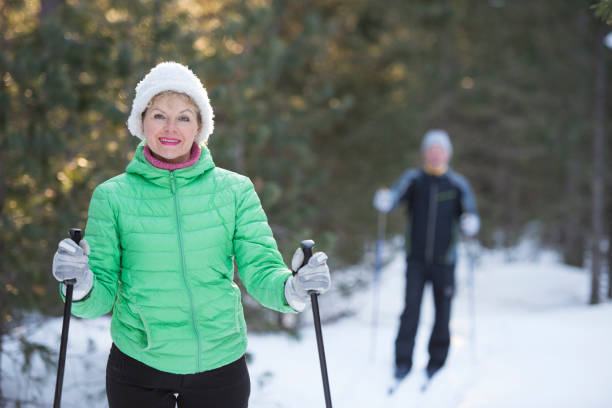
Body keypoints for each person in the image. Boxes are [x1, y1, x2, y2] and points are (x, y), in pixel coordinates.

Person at [51, 61, 331, 408]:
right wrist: (79, 285)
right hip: (139, 367)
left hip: (219, 366)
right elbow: (101, 292)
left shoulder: (235, 191)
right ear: (141, 121)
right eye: (159, 115)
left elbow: (260, 268)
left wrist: (295, 287)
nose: (171, 127)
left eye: (184, 117)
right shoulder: (112, 196)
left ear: (200, 126)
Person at [374, 129, 479, 381]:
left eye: (439, 150)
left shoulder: (457, 184)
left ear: (447, 154)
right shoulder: (414, 180)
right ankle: (402, 362)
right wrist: (386, 201)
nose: (435, 155)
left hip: (445, 261)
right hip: (416, 260)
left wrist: (471, 223)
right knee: (411, 311)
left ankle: (437, 362)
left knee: (443, 312)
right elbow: (395, 198)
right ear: (425, 153)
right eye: (431, 150)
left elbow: (470, 213)